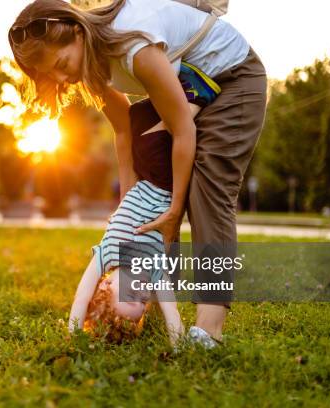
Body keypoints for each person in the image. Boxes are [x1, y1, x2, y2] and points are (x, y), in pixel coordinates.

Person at [9, 0, 268, 347]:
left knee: (207, 190)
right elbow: (122, 131)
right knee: (152, 187)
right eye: (50, 75)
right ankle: (159, 307)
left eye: (61, 64)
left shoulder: (133, 46)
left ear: (76, 31)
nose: (62, 78)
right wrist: (129, 205)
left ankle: (210, 330)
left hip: (234, 77)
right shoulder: (92, 63)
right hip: (194, 85)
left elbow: (183, 132)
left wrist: (175, 209)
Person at [68, 62, 221, 347]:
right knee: (155, 145)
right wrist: (178, 345)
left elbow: (80, 295)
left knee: (135, 117)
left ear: (106, 285)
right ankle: (198, 96)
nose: (140, 290)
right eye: (141, 299)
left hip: (144, 181)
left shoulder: (105, 256)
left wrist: (74, 333)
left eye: (129, 293)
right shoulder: (153, 270)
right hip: (165, 184)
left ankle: (173, 92)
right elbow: (171, 310)